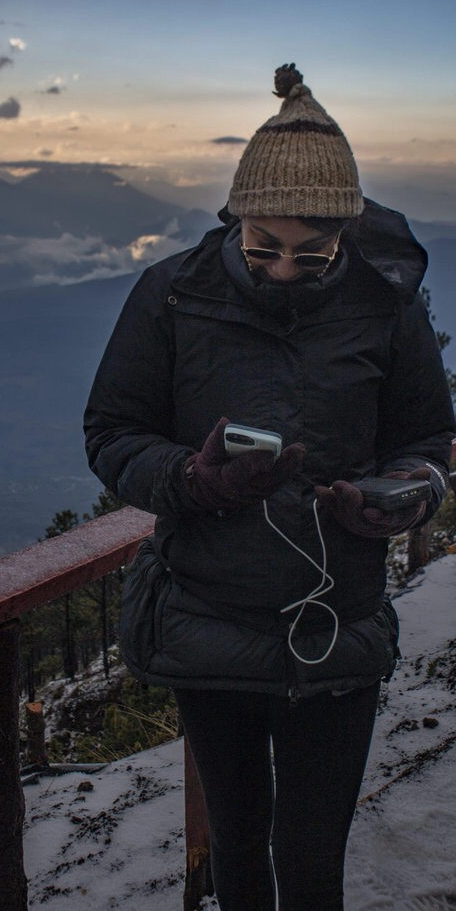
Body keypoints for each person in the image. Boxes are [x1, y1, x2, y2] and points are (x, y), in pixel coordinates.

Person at [84, 64, 455, 911]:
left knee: (315, 861)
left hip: (340, 627)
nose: (284, 270)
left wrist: (406, 494)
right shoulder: (172, 294)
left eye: (311, 252)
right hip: (212, 625)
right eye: (262, 247)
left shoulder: (387, 303)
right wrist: (191, 479)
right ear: (233, 220)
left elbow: (428, 439)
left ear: (346, 236)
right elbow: (110, 433)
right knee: (242, 854)